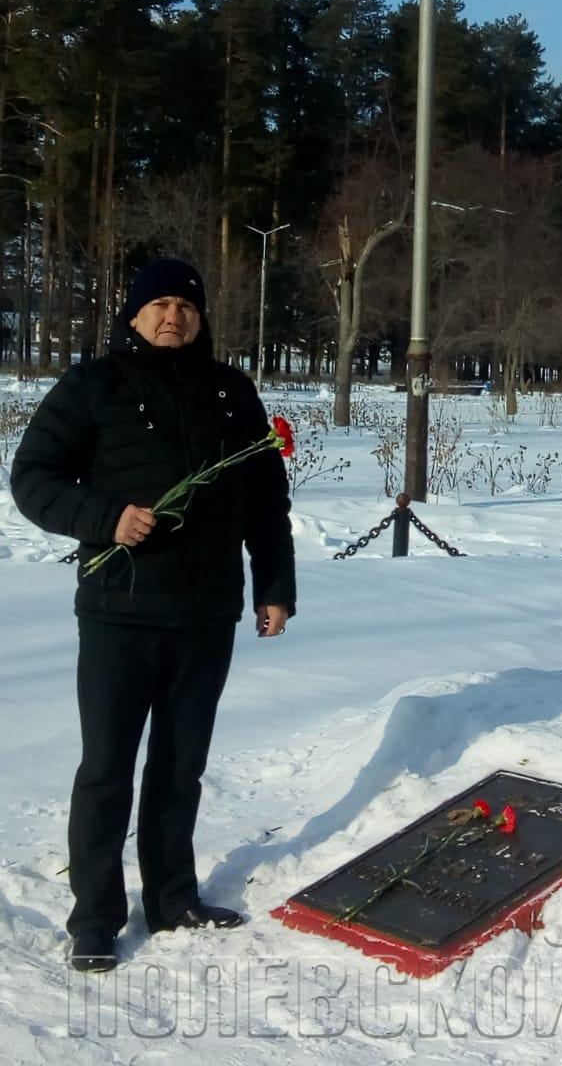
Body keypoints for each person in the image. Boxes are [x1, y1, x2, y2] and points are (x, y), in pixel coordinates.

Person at [11, 259, 296, 973]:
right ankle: (96, 918)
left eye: (185, 306)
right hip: (121, 612)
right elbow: (32, 478)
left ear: (200, 317)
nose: (174, 316)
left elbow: (266, 499)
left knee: (180, 768)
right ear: (134, 315)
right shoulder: (93, 385)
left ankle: (172, 899)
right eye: (160, 304)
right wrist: (106, 517)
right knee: (107, 768)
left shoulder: (231, 392)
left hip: (206, 613)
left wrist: (274, 585)